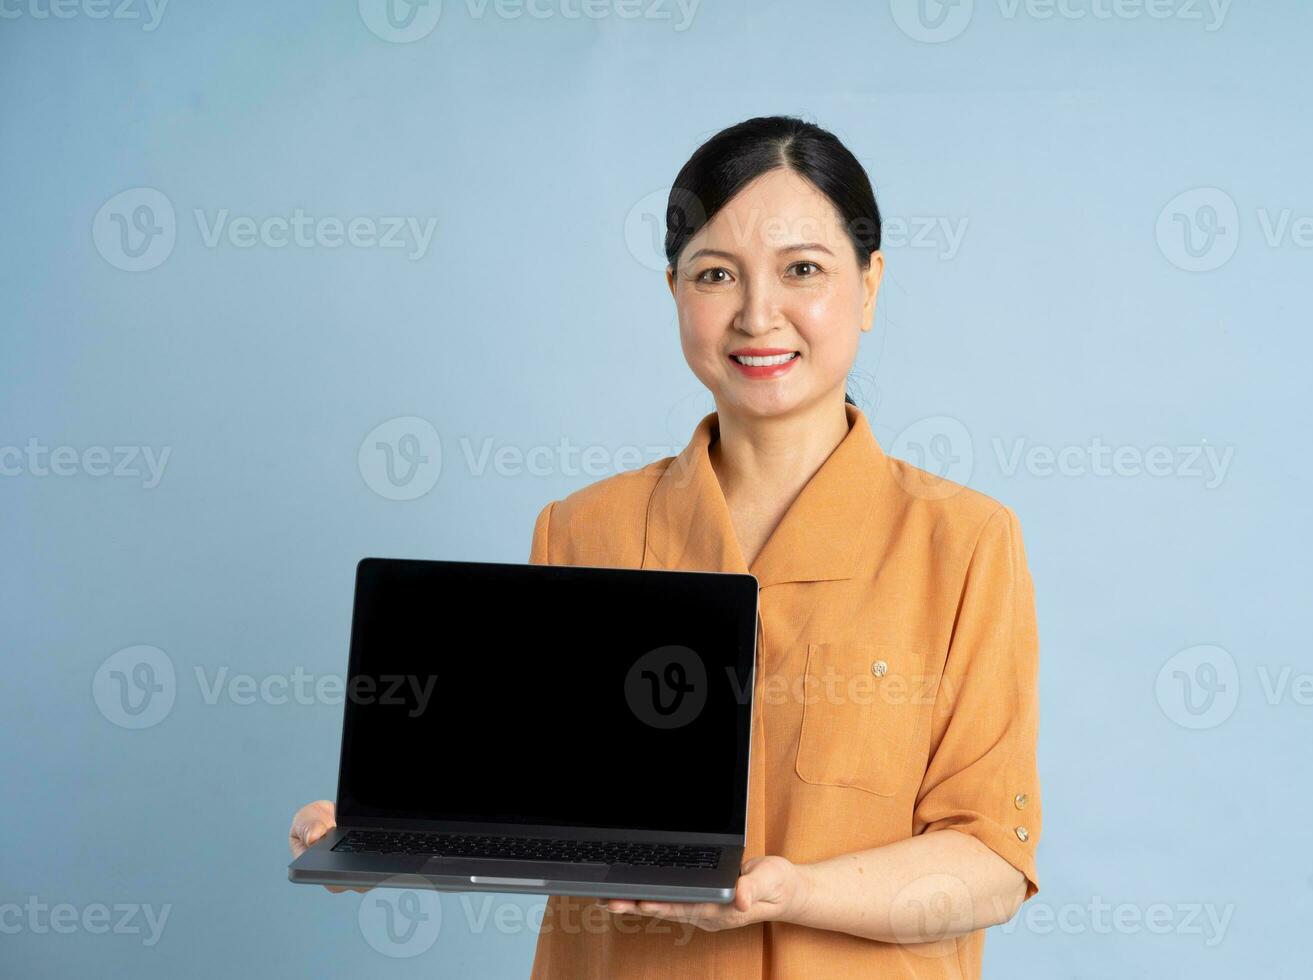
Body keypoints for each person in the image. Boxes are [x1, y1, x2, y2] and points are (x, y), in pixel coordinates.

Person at [290, 114, 1042, 978]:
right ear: (676, 291)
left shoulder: (964, 544)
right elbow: (533, 805)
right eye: (716, 273)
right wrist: (389, 829)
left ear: (870, 287)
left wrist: (788, 893)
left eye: (804, 270)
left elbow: (989, 863)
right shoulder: (582, 529)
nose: (759, 314)